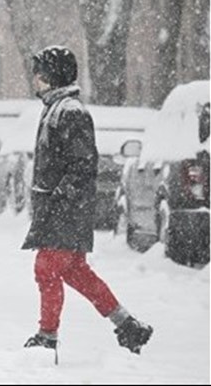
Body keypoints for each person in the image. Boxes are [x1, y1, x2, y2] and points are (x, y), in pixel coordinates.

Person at [22, 46, 153, 355]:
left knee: (47, 269)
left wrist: (58, 198)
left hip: (65, 209)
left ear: (53, 76)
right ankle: (127, 325)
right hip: (62, 208)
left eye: (40, 73)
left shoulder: (70, 112)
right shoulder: (57, 107)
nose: (35, 79)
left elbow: (82, 165)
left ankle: (47, 336)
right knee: (75, 271)